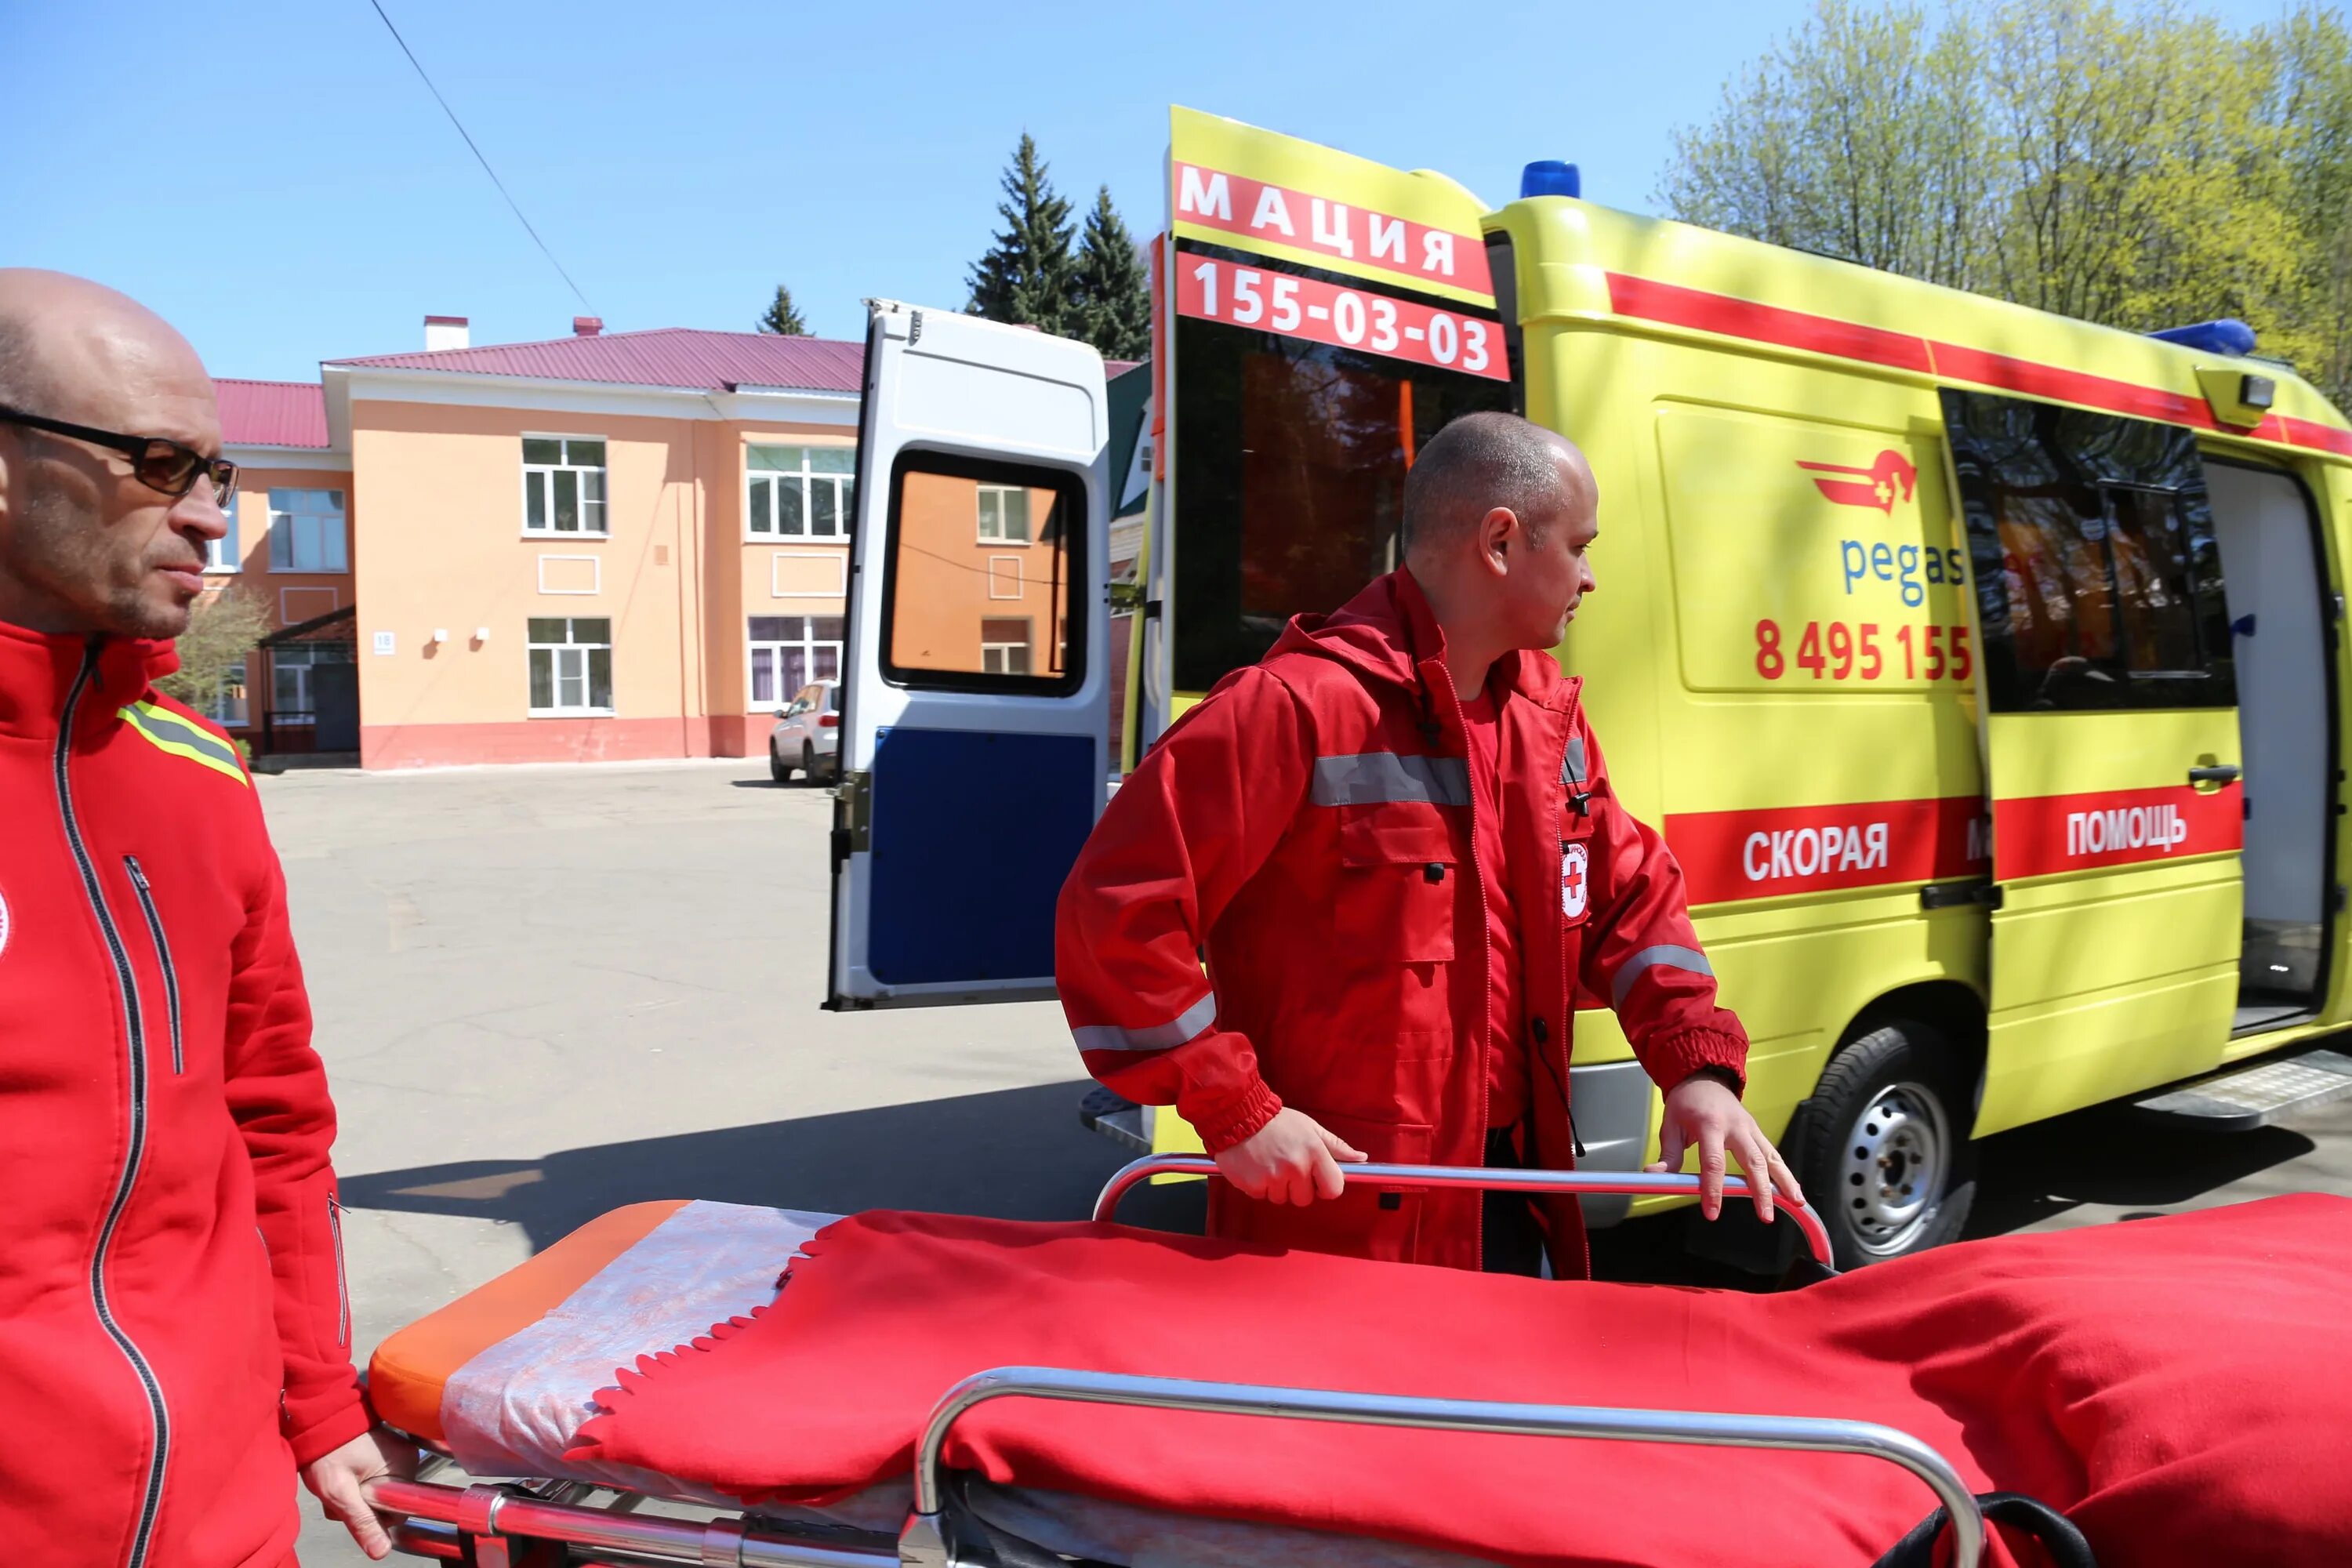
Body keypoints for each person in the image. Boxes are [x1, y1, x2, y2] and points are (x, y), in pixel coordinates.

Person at [1056, 411, 1800, 1276]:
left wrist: (1695, 1065)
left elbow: (1628, 904)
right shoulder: (1294, 707)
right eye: (1578, 545)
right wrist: (1238, 1111)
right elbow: (1115, 907)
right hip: (1333, 1227)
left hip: (1515, 1204)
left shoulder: (1547, 722)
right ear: (1500, 541)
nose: (1590, 577)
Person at [0, 270, 408, 1566]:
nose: (212, 517)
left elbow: (277, 1124)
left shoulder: (203, 779)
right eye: (159, 464)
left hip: (222, 1521)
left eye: (220, 473)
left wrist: (317, 1402)